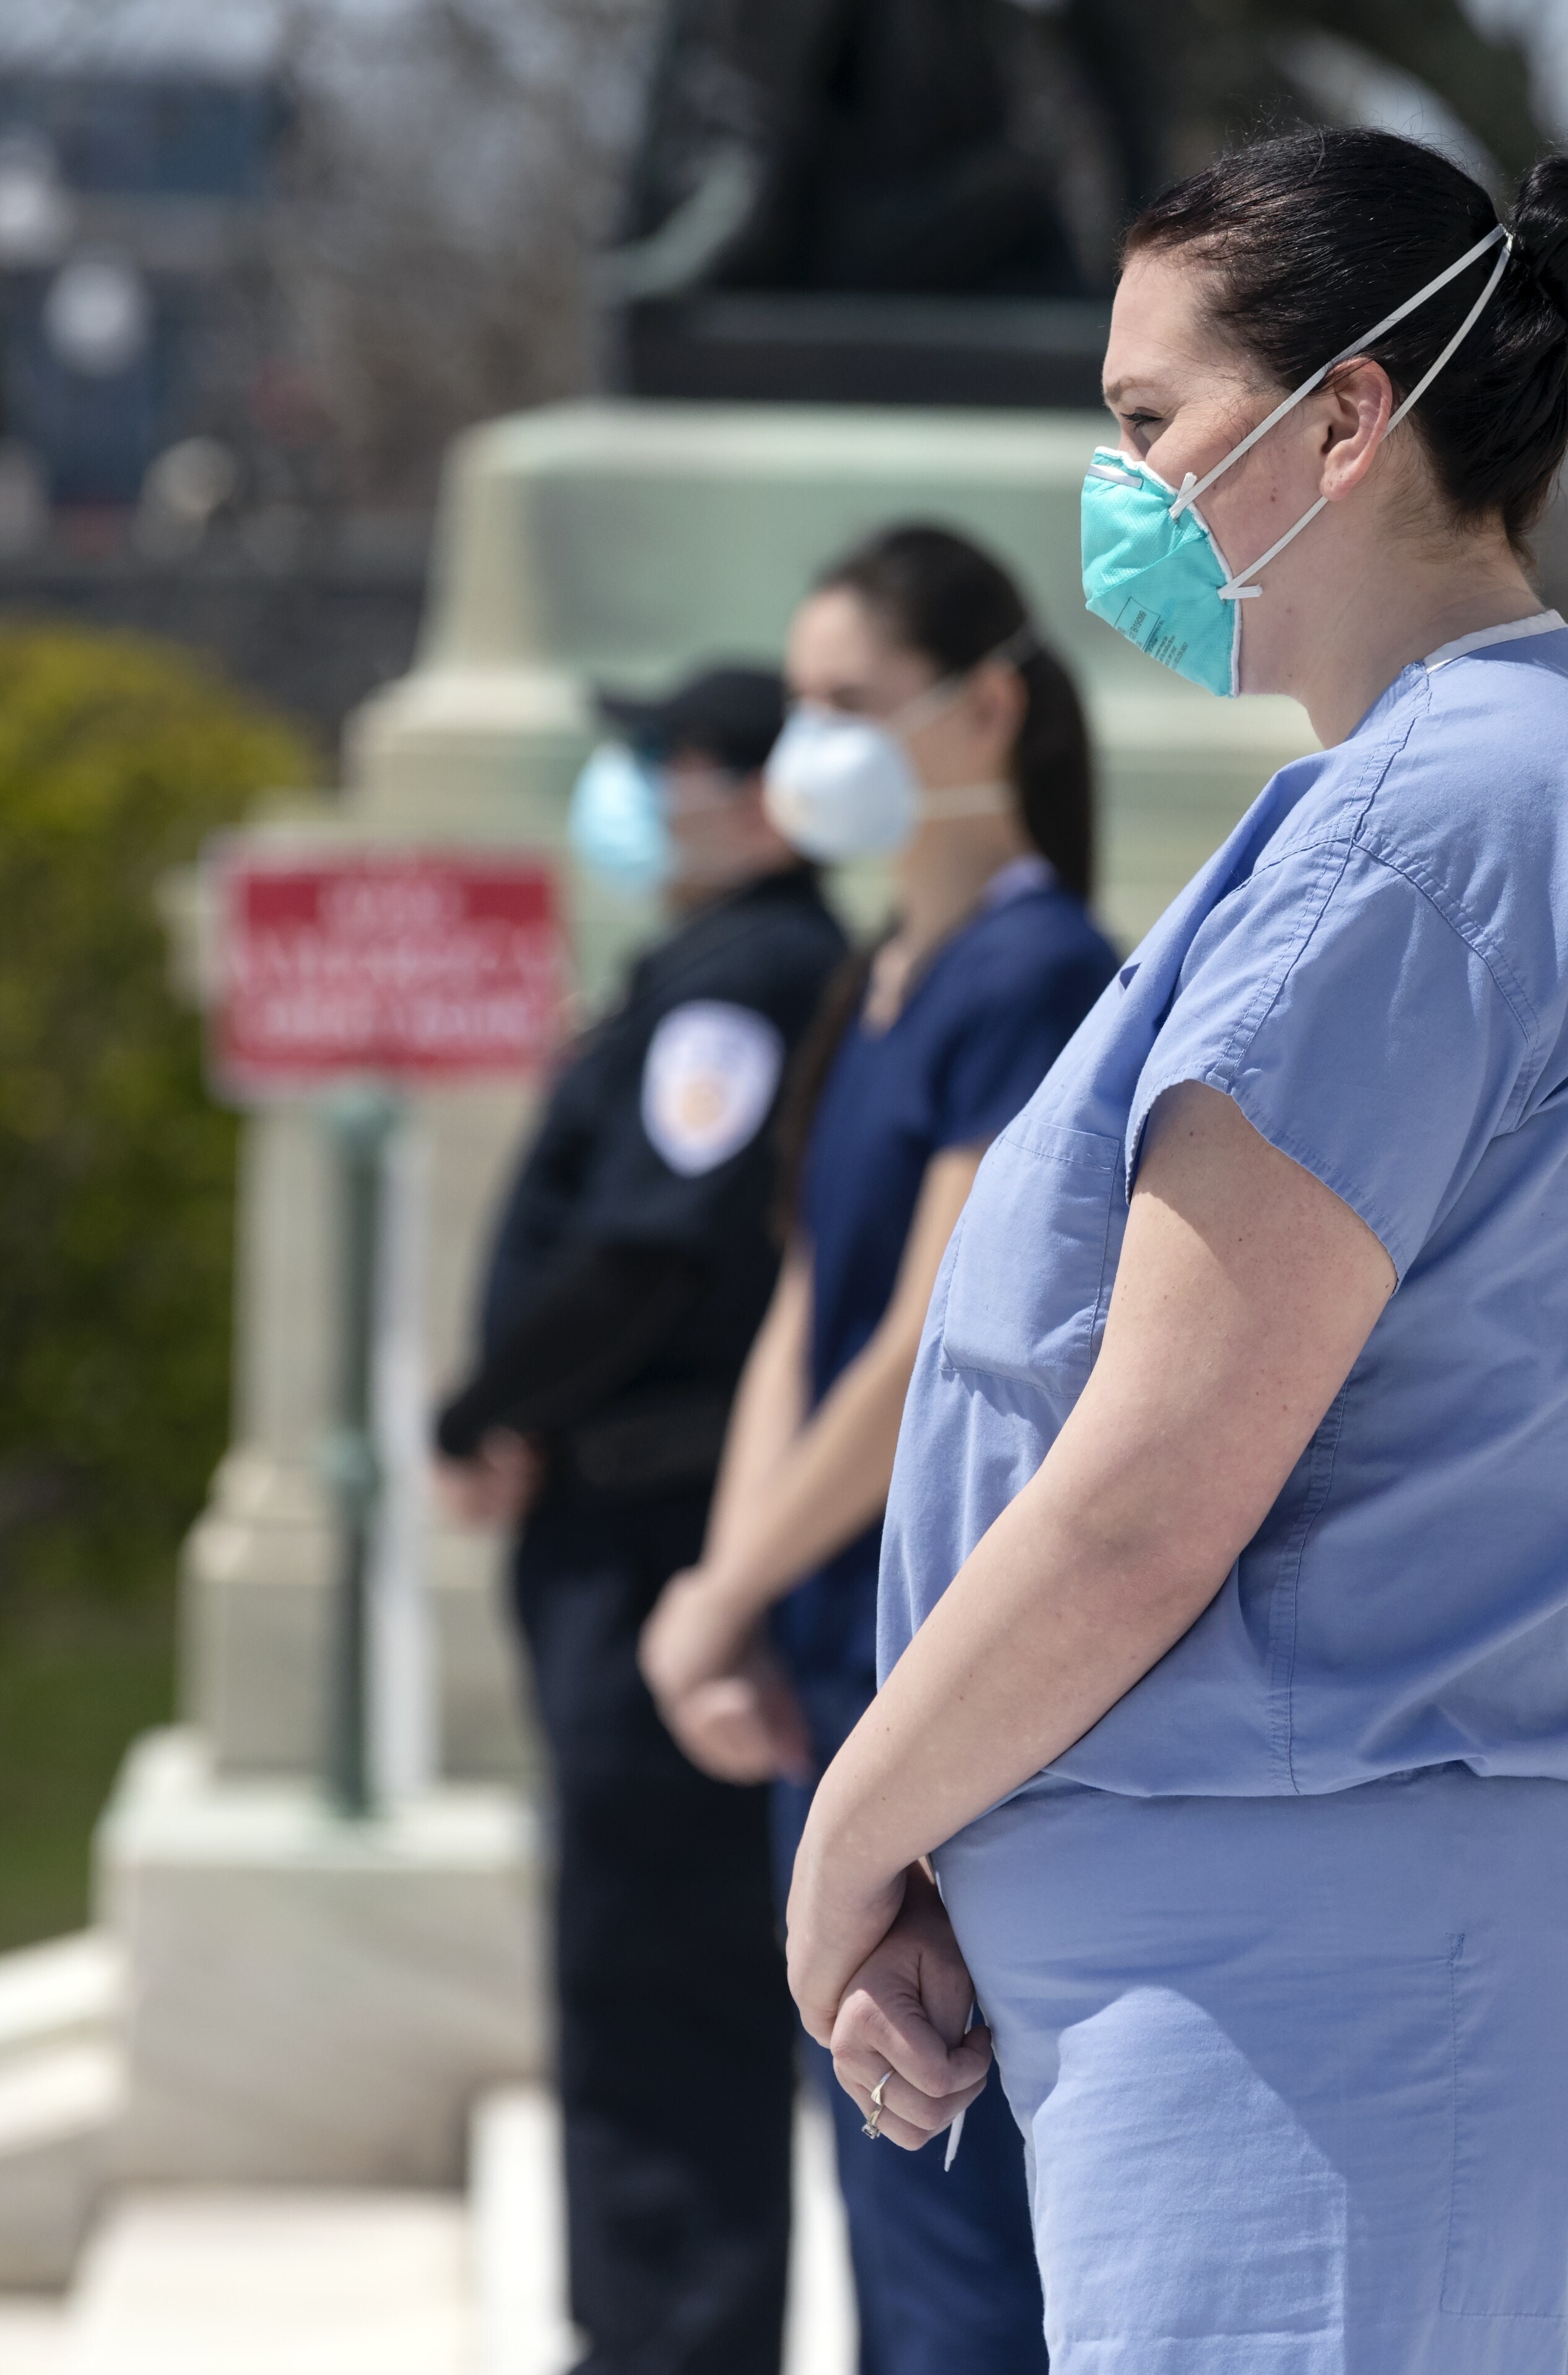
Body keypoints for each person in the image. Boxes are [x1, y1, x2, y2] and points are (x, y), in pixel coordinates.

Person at [774, 128, 1568, 2374]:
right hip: (1343, 1987)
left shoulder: (1424, 821)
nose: (1112, 485)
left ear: (1343, 419)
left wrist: (853, 1833)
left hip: (1320, 2016)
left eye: (1146, 420)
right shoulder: (1510, 767)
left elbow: (1148, 1490)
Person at [635, 523, 1115, 2373]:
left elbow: (933, 1330)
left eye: (848, 701)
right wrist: (731, 1593)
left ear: (984, 705)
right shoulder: (876, 979)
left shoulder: (1039, 973)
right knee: (886, 2230)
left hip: (933, 1682)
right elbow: (806, 1299)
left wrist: (727, 1588)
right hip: (817, 1668)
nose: (804, 744)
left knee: (961, 2248)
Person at [437, 664, 848, 2375]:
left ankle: (669, 2341)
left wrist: (488, 1405)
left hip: (656, 1537)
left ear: (759, 794)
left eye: (666, 764)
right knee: (644, 1978)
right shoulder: (719, 971)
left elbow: (647, 1250)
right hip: (634, 1522)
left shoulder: (742, 984)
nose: (637, 794)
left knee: (656, 1989)